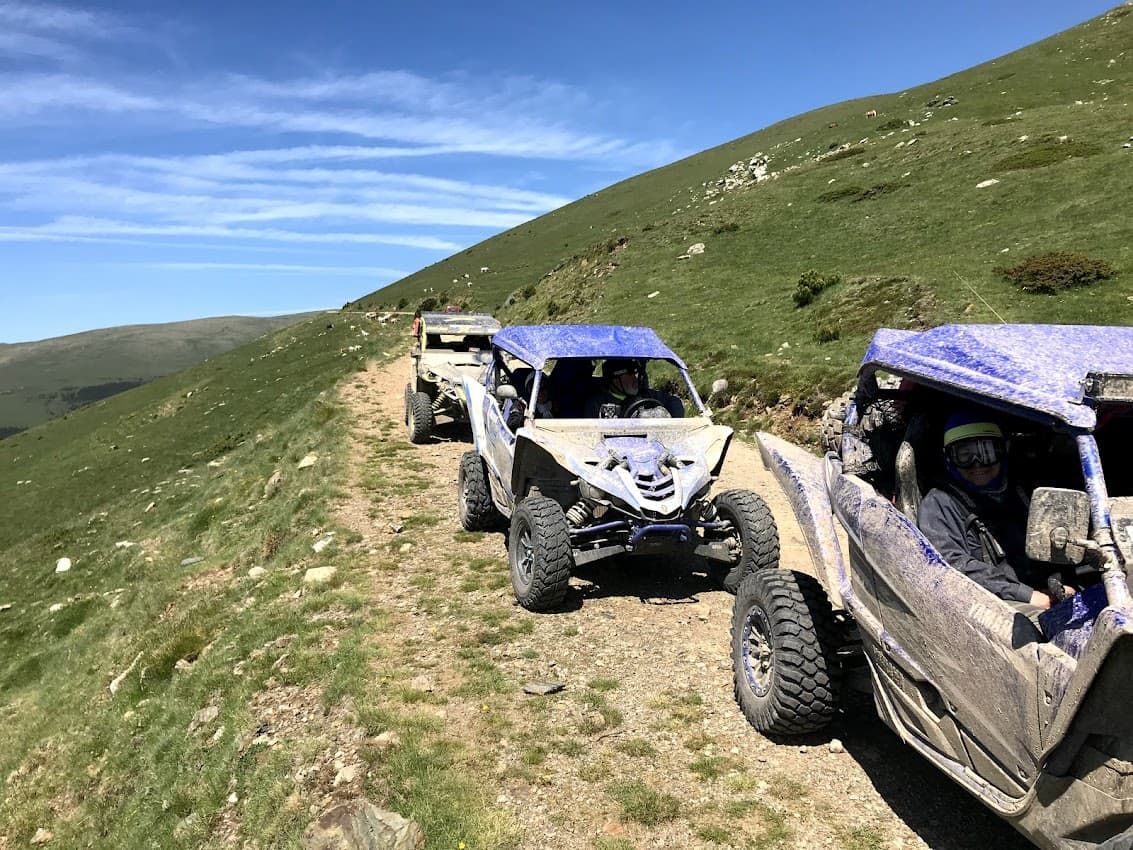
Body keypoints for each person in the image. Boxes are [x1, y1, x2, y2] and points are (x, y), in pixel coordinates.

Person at [917, 412, 1074, 611]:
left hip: (1045, 591)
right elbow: (949, 563)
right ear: (949, 458)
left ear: (1003, 451)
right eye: (965, 456)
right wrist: (1025, 595)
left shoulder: (1026, 490)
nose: (977, 464)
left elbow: (1059, 538)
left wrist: (1060, 581)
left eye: (987, 453)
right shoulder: (939, 503)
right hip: (990, 602)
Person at [583, 358, 684, 419]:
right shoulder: (596, 404)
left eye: (636, 373)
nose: (635, 378)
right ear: (615, 379)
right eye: (630, 374)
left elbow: (675, 402)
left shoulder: (648, 395)